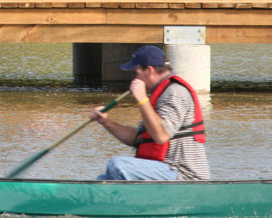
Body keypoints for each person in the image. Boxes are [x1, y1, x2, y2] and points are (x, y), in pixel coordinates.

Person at [89, 45, 209, 181]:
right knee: (102, 180)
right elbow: (137, 138)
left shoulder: (175, 93)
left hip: (183, 175)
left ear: (149, 70)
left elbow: (161, 135)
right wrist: (106, 121)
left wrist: (142, 99)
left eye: (136, 73)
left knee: (117, 165)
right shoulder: (159, 96)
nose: (134, 79)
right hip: (162, 170)